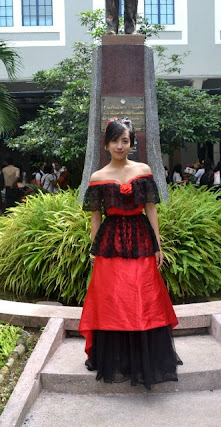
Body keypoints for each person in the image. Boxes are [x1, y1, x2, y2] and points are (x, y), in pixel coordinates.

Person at [79, 118, 181, 390]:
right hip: (110, 243)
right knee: (113, 299)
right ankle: (117, 359)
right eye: (115, 140)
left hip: (141, 240)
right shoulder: (98, 177)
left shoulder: (143, 170)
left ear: (132, 143)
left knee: (143, 295)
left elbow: (151, 209)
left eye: (125, 141)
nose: (120, 146)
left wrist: (158, 245)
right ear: (106, 144)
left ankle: (146, 359)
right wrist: (95, 249)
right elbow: (96, 217)